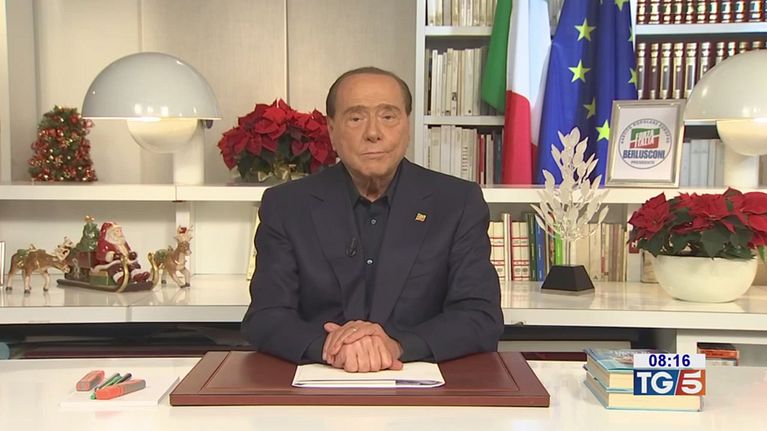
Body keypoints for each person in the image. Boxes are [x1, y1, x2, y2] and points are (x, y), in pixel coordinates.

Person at [241, 66, 503, 372]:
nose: (373, 133)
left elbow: (480, 316)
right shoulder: (286, 205)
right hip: (321, 379)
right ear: (332, 130)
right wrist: (332, 347)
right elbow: (266, 317)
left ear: (407, 126)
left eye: (388, 116)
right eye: (356, 118)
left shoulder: (457, 203)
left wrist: (397, 346)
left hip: (419, 381)